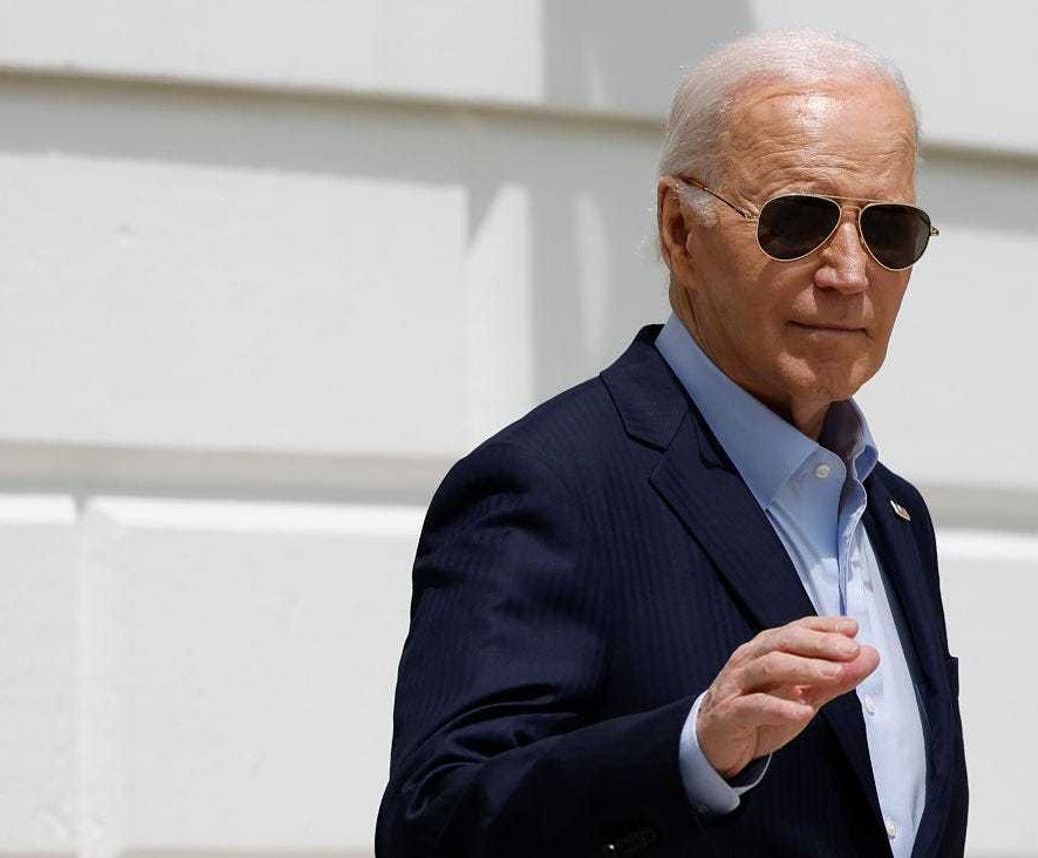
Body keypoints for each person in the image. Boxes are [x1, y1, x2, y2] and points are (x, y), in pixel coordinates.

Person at [376, 28, 968, 858]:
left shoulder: (895, 513)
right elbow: (433, 825)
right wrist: (692, 750)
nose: (848, 272)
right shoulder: (551, 484)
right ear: (680, 233)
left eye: (890, 231)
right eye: (798, 222)